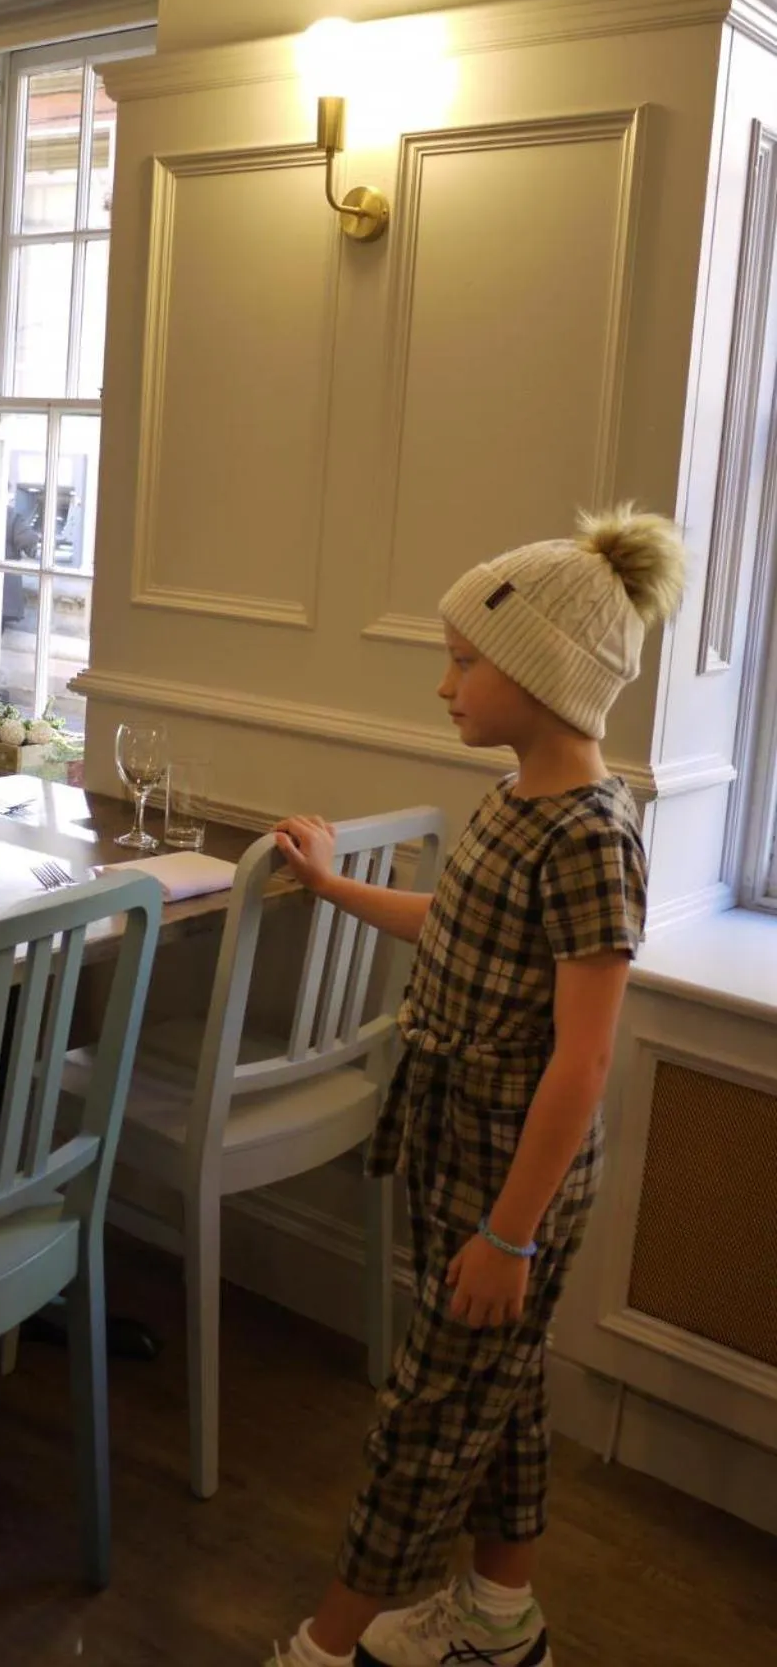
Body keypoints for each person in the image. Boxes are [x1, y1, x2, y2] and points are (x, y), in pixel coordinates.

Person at [267, 506, 685, 1667]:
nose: (445, 684)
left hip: (516, 1169)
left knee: (429, 1411)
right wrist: (333, 882)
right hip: (459, 1140)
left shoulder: (594, 836)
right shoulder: (514, 798)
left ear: (544, 675)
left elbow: (584, 1057)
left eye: (465, 661)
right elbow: (452, 923)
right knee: (494, 1384)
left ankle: (323, 1646)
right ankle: (501, 1617)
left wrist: (510, 1235)